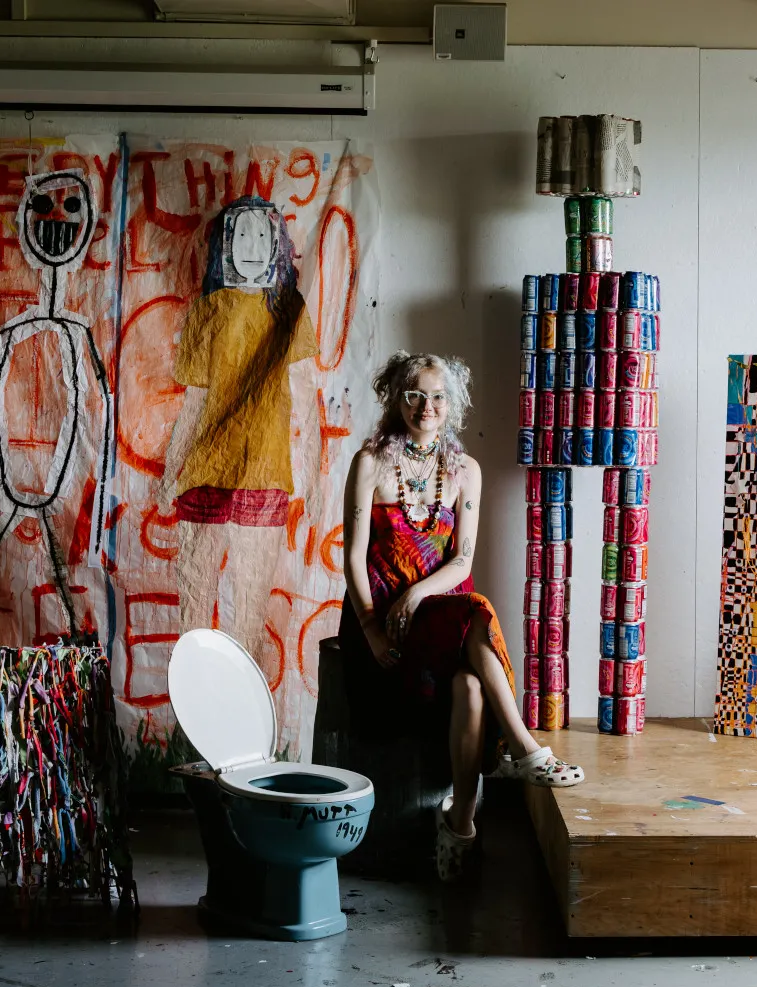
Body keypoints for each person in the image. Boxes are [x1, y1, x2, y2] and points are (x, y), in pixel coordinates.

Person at [338, 351, 585, 882]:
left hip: (442, 614)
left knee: (471, 677)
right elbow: (353, 557)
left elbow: (463, 561)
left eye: (438, 397)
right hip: (383, 625)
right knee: (476, 625)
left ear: (452, 405)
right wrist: (376, 628)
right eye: (414, 395)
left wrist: (418, 594)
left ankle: (460, 825)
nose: (426, 407)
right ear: (395, 399)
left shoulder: (464, 470)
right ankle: (522, 749)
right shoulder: (370, 463)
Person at [160, 195, 314, 656]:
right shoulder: (208, 310)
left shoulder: (289, 310)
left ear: (275, 245)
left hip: (264, 476)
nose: (250, 244)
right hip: (205, 472)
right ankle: (192, 723)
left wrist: (315, 476)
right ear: (225, 245)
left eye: (260, 234)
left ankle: (240, 721)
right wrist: (171, 470)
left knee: (247, 615)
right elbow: (194, 403)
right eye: (241, 233)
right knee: (194, 612)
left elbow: (306, 400)